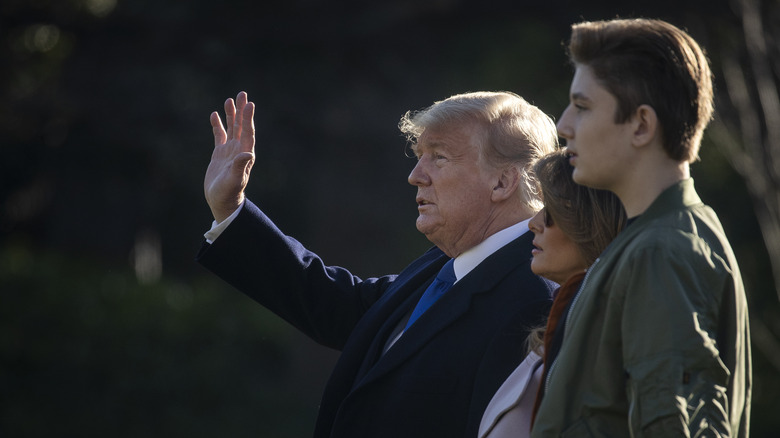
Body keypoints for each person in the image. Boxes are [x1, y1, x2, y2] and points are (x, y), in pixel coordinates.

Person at [197, 90, 559, 437]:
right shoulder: (449, 263)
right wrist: (231, 210)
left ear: (503, 181)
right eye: (419, 155)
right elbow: (340, 307)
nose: (416, 175)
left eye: (439, 157)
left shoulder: (535, 301)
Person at [532, 18, 752, 437]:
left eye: (582, 106)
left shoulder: (660, 250)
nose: (563, 126)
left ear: (641, 125)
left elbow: (677, 425)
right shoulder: (666, 235)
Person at [478, 149, 626, 438]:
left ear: (591, 222)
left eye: (554, 210)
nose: (534, 222)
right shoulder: (565, 324)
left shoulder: (609, 338)